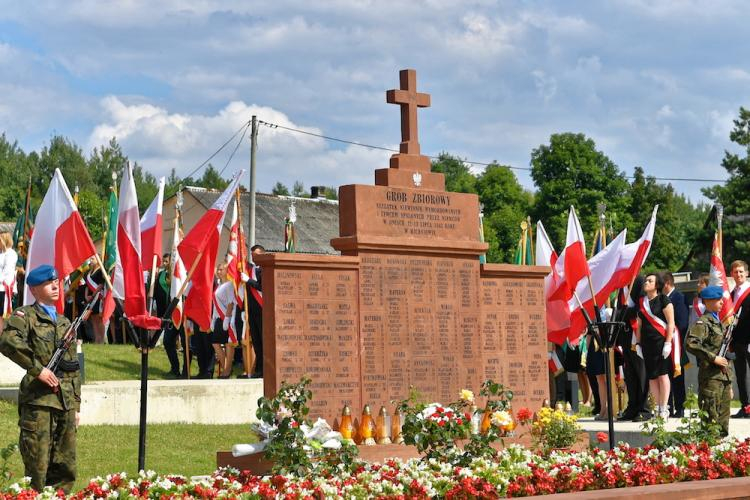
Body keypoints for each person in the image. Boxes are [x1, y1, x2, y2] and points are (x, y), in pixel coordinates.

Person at [0, 265, 81, 493]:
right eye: (48, 283)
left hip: (64, 404)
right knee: (38, 467)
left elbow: (73, 367)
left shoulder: (65, 322)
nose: (55, 285)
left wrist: (76, 406)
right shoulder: (25, 316)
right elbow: (8, 342)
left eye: (56, 281)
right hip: (39, 404)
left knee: (65, 467)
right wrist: (38, 370)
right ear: (34, 289)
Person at [686, 285, 733, 436]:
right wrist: (713, 358)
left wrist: (729, 382)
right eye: (718, 300)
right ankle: (709, 450)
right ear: (708, 301)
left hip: (723, 377)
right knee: (710, 418)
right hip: (710, 378)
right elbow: (691, 344)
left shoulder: (719, 322)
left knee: (723, 420)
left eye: (721, 299)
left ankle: (721, 450)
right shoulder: (703, 323)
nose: (722, 302)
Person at [635, 273, 675, 420]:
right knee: (652, 376)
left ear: (657, 285)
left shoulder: (664, 299)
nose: (646, 282)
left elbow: (671, 323)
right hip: (647, 344)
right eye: (646, 280)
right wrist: (638, 344)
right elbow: (639, 326)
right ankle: (657, 408)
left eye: (650, 281)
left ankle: (664, 408)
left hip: (661, 342)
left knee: (662, 375)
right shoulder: (642, 302)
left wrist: (668, 343)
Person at [662, 272, 689, 418]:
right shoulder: (663, 299)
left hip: (675, 342)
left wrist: (673, 336)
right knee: (666, 376)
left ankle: (680, 407)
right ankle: (669, 407)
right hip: (664, 342)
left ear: (666, 283)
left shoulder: (678, 297)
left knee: (677, 377)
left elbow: (683, 322)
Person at [729, 260, 750, 418]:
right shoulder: (730, 294)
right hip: (736, 341)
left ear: (747, 273)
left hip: (749, 340)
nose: (739, 274)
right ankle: (745, 406)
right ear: (732, 274)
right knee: (740, 376)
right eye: (736, 272)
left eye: (741, 271)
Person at [211, 262, 236, 378]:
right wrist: (213, 318)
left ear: (227, 271)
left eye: (221, 270)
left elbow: (231, 302)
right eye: (218, 270)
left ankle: (227, 369)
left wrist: (227, 318)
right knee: (215, 343)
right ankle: (225, 366)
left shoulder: (229, 284)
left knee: (228, 344)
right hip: (218, 318)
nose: (218, 272)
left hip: (227, 318)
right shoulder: (219, 285)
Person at [246, 245, 265, 378]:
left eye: (256, 255)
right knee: (256, 341)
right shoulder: (250, 270)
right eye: (252, 255)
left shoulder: (264, 269)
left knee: (263, 341)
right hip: (251, 310)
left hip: (262, 309)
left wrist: (249, 280)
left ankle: (264, 369)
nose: (254, 257)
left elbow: (262, 287)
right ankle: (259, 369)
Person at [0, 232, 18, 330]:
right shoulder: (2, 253)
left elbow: (7, 271)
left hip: (4, 288)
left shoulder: (11, 254)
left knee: (2, 315)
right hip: (1, 287)